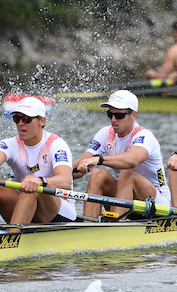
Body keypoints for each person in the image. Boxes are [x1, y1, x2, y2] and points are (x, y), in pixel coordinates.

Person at [0, 97, 75, 229]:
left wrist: (40, 181)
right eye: (16, 119)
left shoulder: (55, 144)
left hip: (58, 211)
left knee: (31, 186)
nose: (20, 123)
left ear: (42, 121)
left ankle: (13, 238)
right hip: (26, 205)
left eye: (26, 119)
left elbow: (65, 181)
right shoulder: (10, 144)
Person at [73, 90, 170, 218]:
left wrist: (99, 160)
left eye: (119, 115)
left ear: (133, 115)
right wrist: (48, 176)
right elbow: (79, 166)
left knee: (126, 173)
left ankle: (115, 227)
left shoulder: (144, 136)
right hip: (125, 198)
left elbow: (132, 160)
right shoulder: (105, 134)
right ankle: (89, 225)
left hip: (156, 203)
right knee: (98, 174)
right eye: (110, 114)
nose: (113, 120)